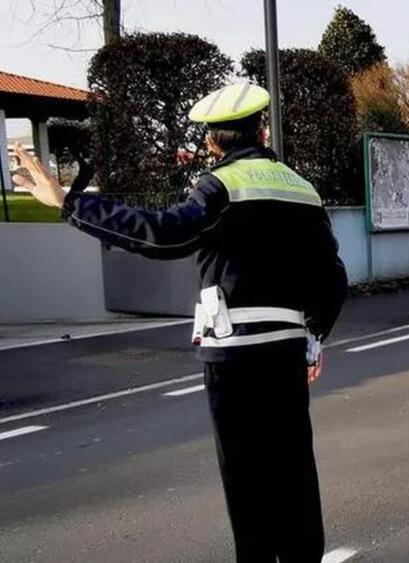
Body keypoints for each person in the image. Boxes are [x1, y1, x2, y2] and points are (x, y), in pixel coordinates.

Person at [13, 82, 348, 562]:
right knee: (293, 468)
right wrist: (314, 335)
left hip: (232, 354)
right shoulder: (302, 189)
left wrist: (70, 203)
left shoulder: (221, 184)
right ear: (262, 131)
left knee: (246, 477)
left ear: (212, 142)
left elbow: (163, 235)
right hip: (286, 351)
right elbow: (332, 275)